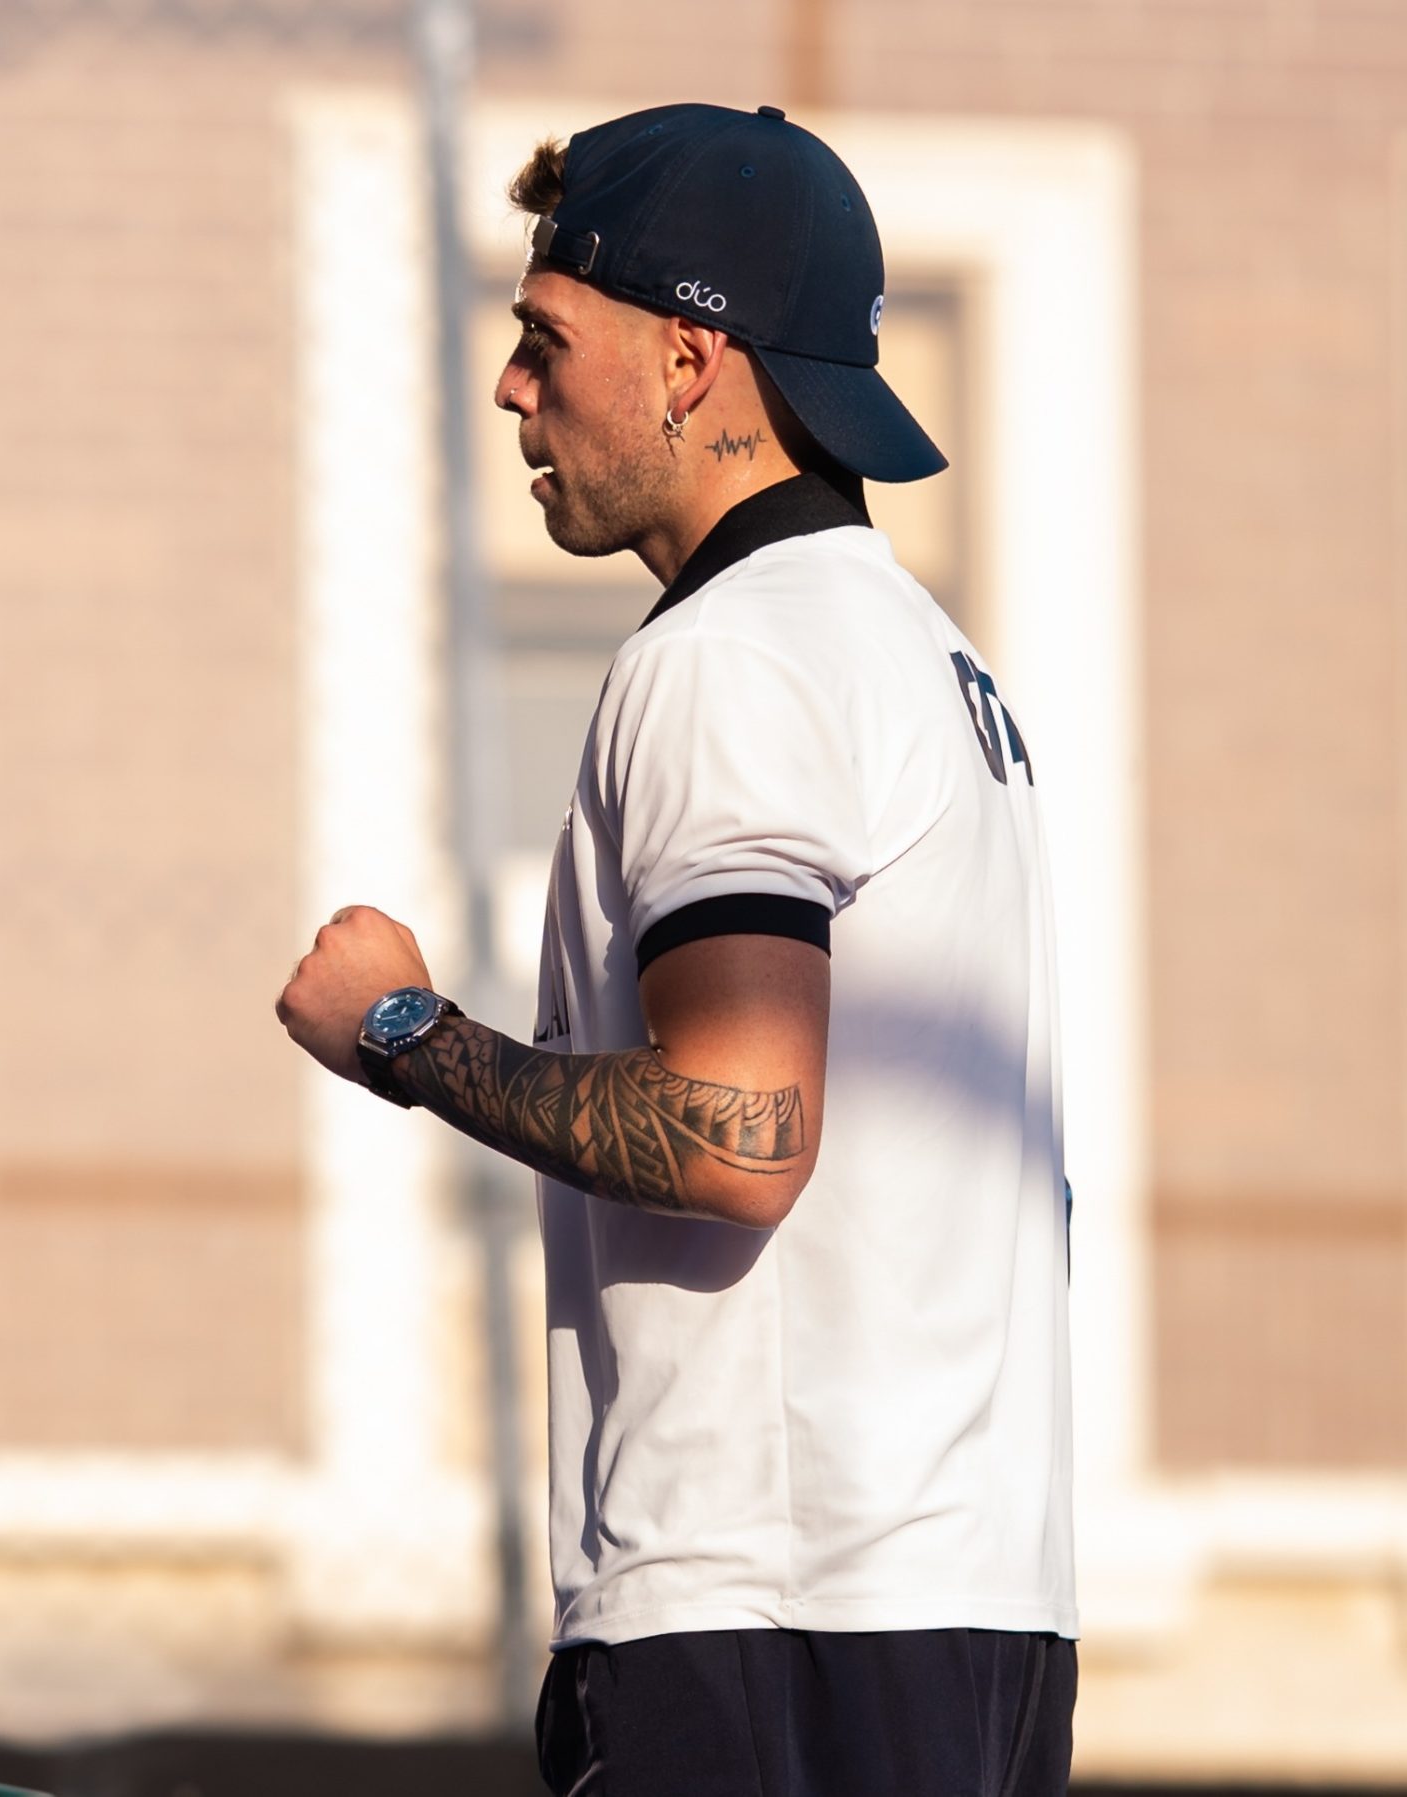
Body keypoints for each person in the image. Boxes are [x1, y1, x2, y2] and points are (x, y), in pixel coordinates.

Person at [277, 104, 1074, 1795]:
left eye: (546, 337)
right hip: (964, 1605)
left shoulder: (738, 653)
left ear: (691, 359)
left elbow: (738, 1131)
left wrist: (400, 1030)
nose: (513, 388)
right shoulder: (923, 654)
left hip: (776, 1618)